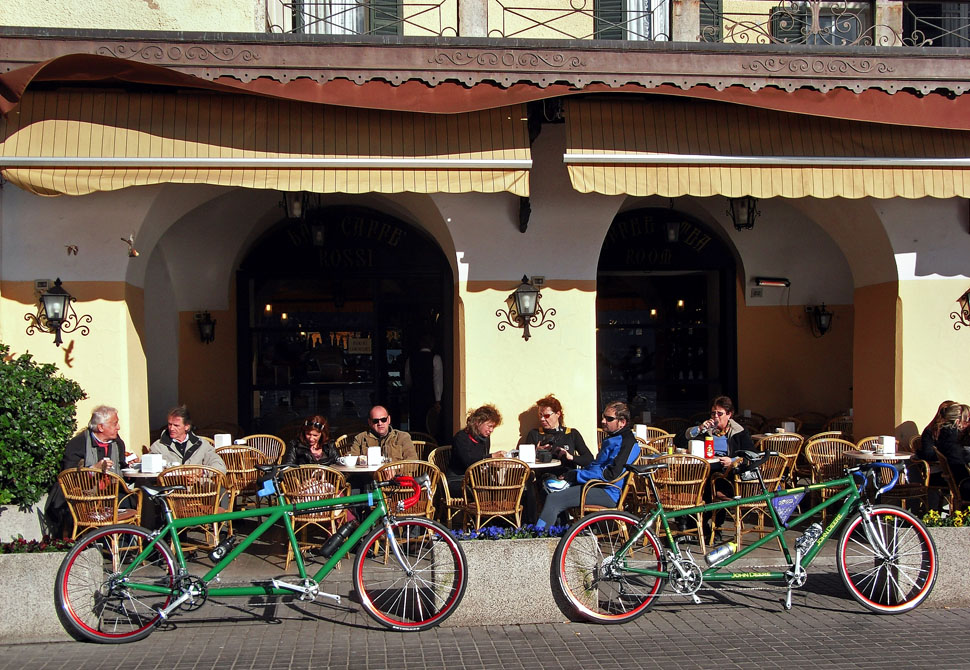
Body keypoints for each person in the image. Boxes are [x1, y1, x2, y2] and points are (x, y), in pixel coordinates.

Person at [534, 401, 641, 529]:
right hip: (594, 485)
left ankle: (539, 538)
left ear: (622, 423)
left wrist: (576, 475)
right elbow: (596, 465)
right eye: (603, 417)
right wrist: (572, 474)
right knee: (549, 488)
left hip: (607, 492)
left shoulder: (627, 443)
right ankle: (558, 535)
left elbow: (611, 475)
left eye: (609, 419)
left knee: (554, 499)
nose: (603, 421)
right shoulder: (612, 438)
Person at [46, 405, 129, 537]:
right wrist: (93, 469)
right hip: (84, 495)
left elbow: (122, 467)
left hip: (111, 492)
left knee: (128, 499)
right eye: (114, 424)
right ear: (101, 427)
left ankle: (126, 550)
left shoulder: (117, 443)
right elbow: (69, 476)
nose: (118, 427)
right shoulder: (78, 444)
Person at [524, 395, 594, 472]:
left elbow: (589, 459)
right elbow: (524, 462)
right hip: (544, 477)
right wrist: (535, 452)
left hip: (567, 477)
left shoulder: (571, 433)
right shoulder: (535, 434)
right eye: (540, 415)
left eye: (546, 416)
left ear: (558, 414)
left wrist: (570, 457)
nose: (542, 419)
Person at [149, 405, 227, 474]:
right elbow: (150, 469)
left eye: (176, 425)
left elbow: (220, 466)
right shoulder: (158, 446)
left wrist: (202, 472)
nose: (171, 428)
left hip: (200, 487)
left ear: (186, 426)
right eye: (169, 424)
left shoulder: (202, 444)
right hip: (172, 488)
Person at [446, 404, 503, 496]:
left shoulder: (485, 439)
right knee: (484, 493)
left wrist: (494, 462)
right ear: (478, 422)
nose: (491, 430)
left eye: (493, 427)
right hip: (458, 480)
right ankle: (481, 510)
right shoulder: (461, 438)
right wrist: (490, 457)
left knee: (503, 491)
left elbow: (481, 460)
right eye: (489, 426)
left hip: (476, 479)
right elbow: (468, 462)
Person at [404, 334, 443, 435]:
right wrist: (438, 400)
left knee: (416, 425)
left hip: (415, 396)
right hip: (429, 397)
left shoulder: (410, 359)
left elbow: (408, 380)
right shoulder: (435, 358)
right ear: (432, 344)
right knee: (430, 426)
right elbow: (437, 380)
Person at [350, 405, 416, 461]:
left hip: (397, 475)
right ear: (369, 422)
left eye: (383, 420)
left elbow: (413, 462)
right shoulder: (360, 438)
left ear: (389, 419)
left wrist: (394, 470)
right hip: (369, 475)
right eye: (375, 421)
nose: (380, 423)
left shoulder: (402, 437)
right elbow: (351, 460)